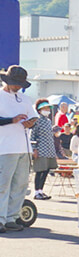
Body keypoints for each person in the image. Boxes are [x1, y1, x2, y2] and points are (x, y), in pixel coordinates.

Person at [0, 66, 38, 233]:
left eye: (19, 84)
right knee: (3, 185)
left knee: (20, 184)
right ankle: (1, 218)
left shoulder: (25, 99)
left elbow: (34, 116)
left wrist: (32, 122)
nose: (17, 87)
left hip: (23, 146)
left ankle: (11, 217)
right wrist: (12, 120)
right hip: (5, 147)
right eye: (15, 84)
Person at [30, 99, 57, 201]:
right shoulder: (36, 120)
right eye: (44, 108)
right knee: (39, 170)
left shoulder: (48, 121)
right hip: (40, 149)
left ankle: (41, 190)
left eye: (48, 108)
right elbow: (32, 136)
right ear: (39, 109)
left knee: (46, 170)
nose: (47, 110)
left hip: (49, 150)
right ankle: (36, 191)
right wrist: (34, 149)